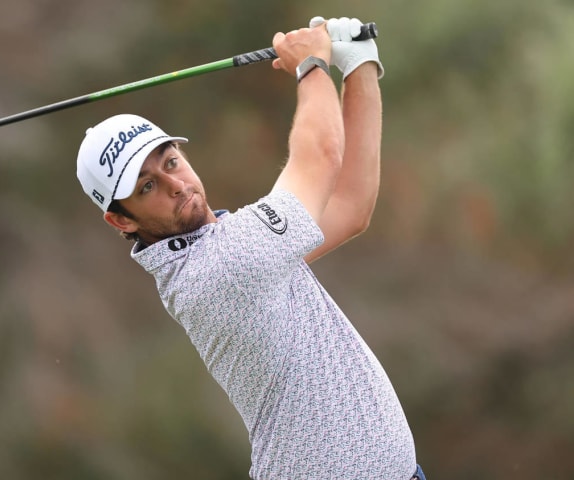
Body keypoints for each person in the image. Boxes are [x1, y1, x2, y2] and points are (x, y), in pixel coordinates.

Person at [76, 16, 424, 480]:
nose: (176, 185)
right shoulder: (218, 270)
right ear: (120, 219)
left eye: (172, 162)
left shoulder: (225, 242)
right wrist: (313, 66)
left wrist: (359, 65)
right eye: (147, 187)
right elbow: (319, 155)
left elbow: (350, 205)